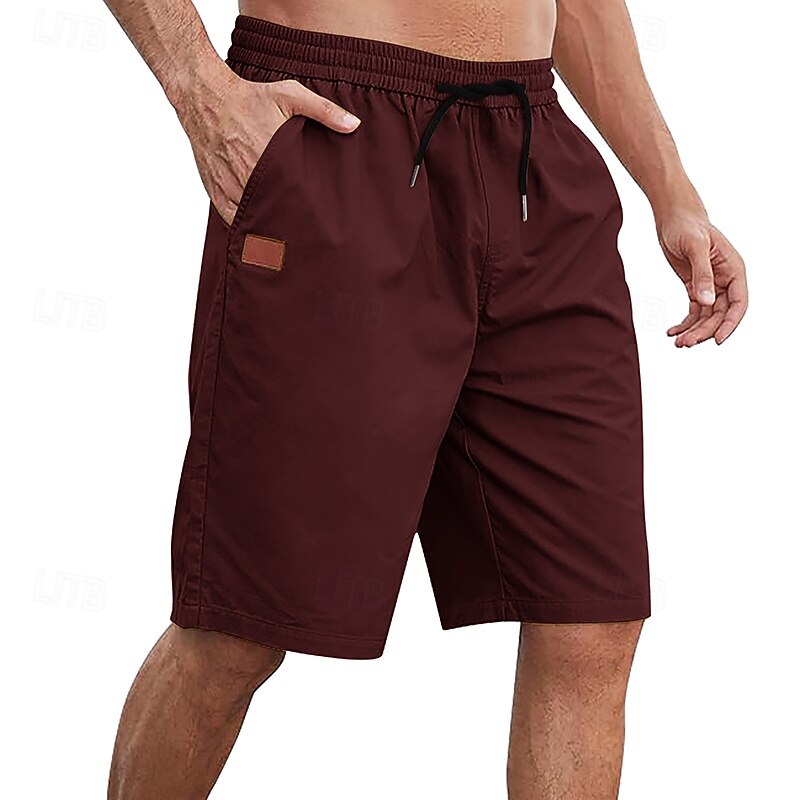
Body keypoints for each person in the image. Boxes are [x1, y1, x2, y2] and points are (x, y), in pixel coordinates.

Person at [102, 1, 748, 798]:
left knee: (590, 614)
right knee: (237, 626)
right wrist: (199, 88)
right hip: (338, 127)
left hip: (534, 159)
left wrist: (673, 190)